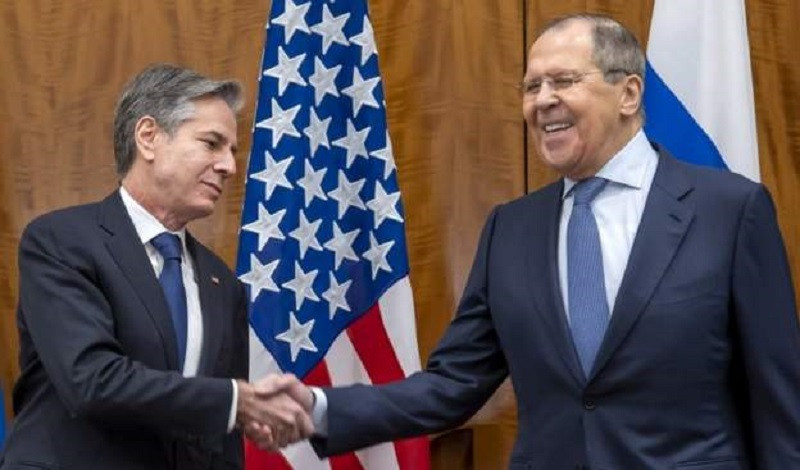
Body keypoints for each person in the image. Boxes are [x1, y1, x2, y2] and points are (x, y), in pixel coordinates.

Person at [275, 14, 800, 468]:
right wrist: (319, 409)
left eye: (563, 81)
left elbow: (777, 397)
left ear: (629, 93)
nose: (542, 100)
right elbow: (454, 383)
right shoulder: (511, 229)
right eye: (531, 87)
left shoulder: (728, 211)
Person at [0, 64, 312, 470]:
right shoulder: (61, 241)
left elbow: (222, 442)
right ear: (148, 137)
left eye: (232, 152)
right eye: (212, 143)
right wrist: (237, 400)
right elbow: (91, 380)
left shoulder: (223, 284)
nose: (229, 167)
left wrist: (236, 407)